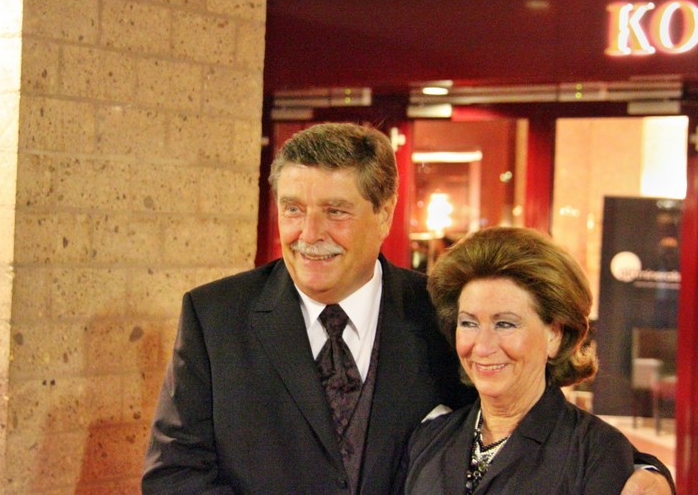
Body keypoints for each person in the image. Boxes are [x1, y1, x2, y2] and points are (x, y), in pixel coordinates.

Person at [142, 123, 673, 495]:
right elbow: (174, 475)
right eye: (293, 209)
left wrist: (647, 473)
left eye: (335, 211)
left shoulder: (443, 313)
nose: (309, 234)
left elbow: (531, 420)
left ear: (385, 213)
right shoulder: (215, 317)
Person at [403, 227, 676, 495]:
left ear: (555, 335)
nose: (483, 346)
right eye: (468, 323)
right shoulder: (431, 438)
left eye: (505, 324)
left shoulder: (596, 454)